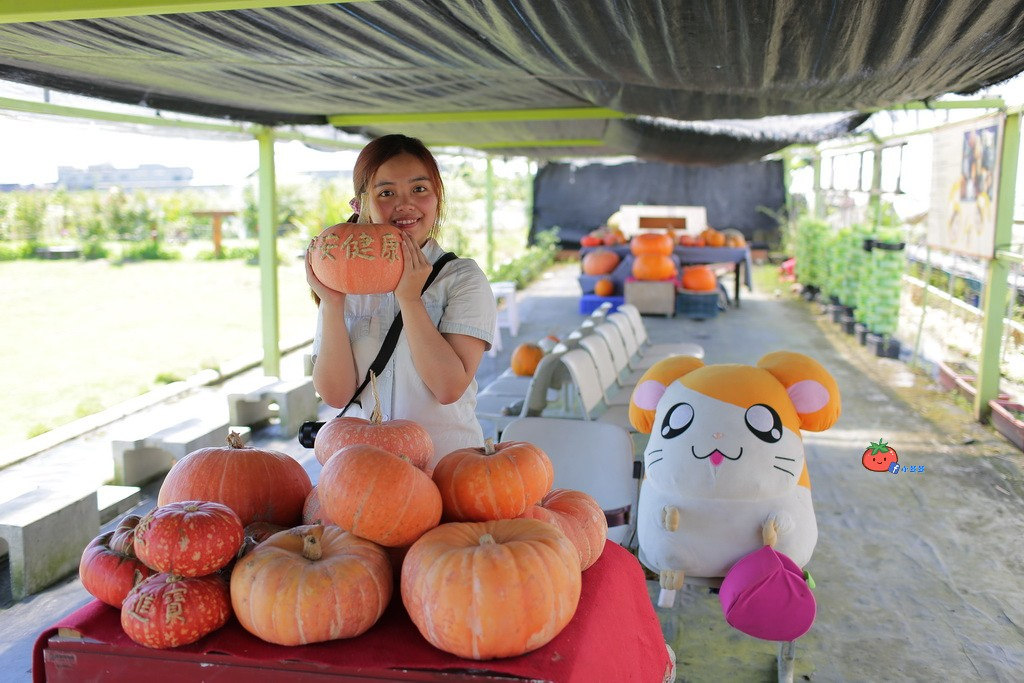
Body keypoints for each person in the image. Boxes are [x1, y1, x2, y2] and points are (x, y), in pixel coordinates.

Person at [306, 134, 497, 467]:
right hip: (363, 473)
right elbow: (335, 395)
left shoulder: (462, 278)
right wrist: (332, 302)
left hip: (448, 472)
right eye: (386, 193)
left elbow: (448, 387)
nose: (405, 204)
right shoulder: (343, 282)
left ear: (437, 198)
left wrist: (410, 300)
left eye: (419, 189)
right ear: (359, 205)